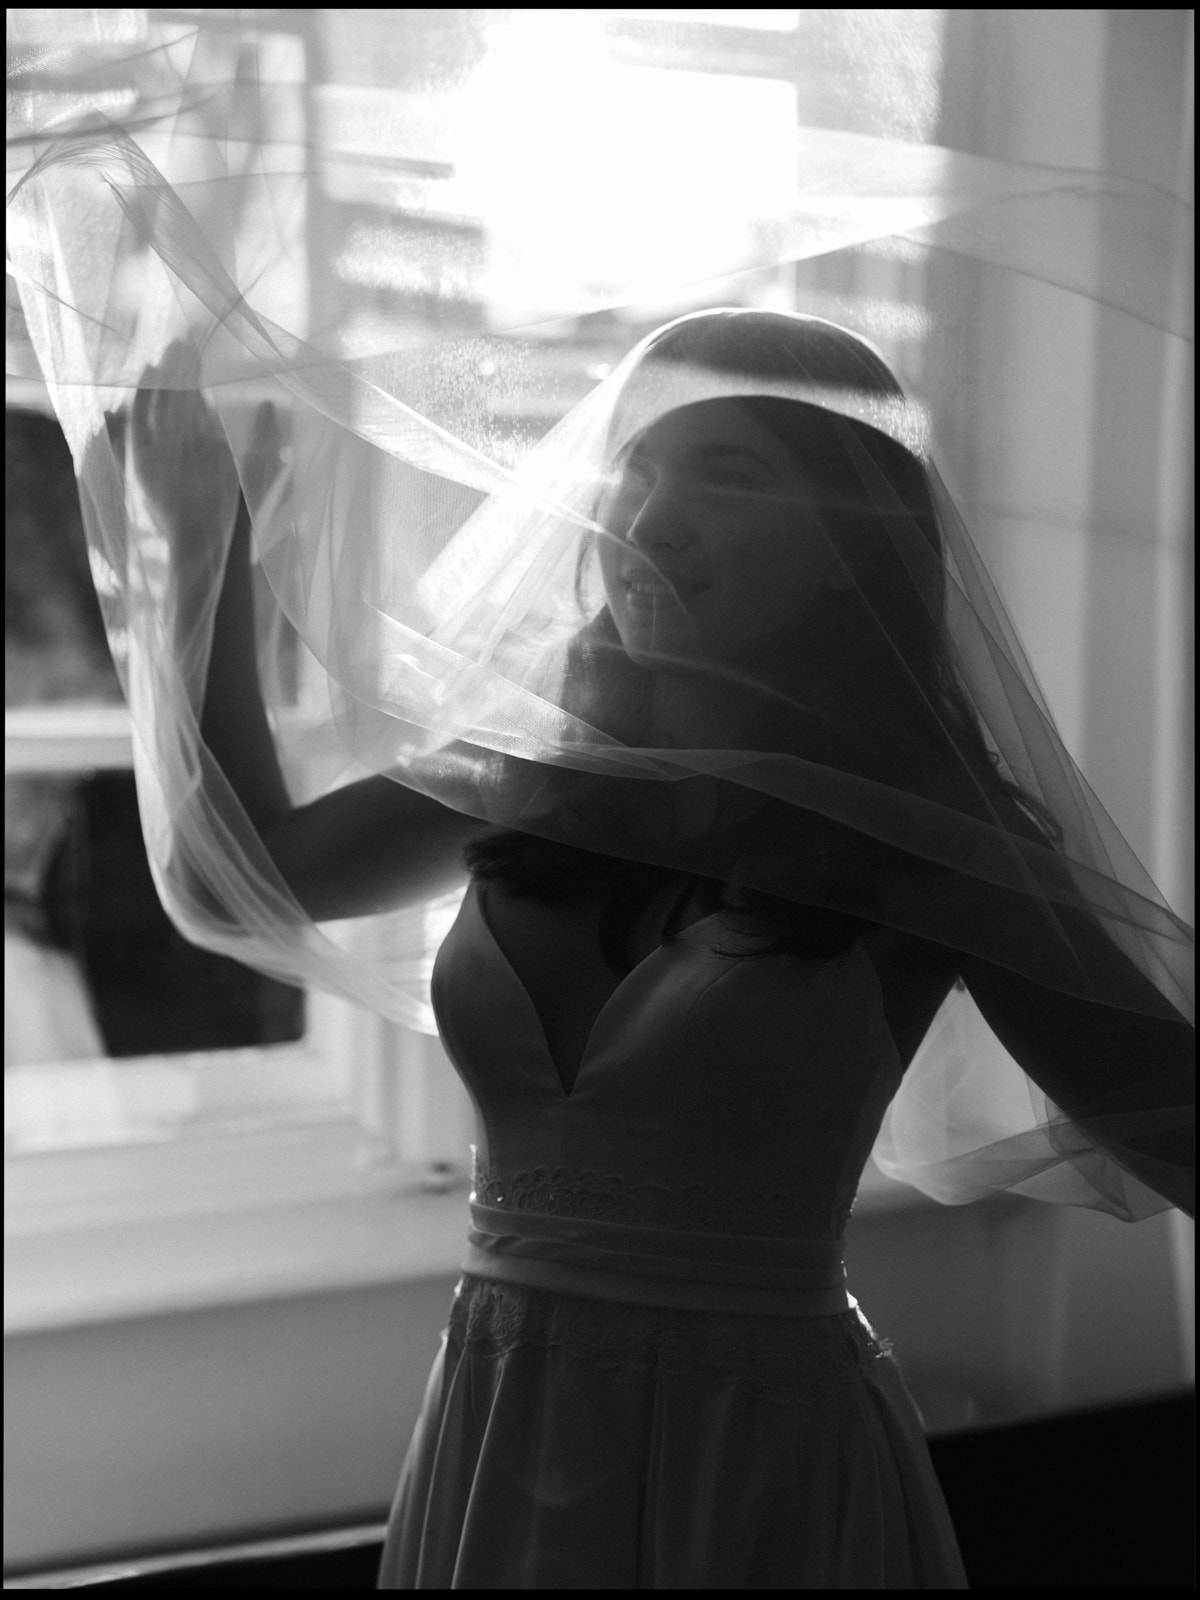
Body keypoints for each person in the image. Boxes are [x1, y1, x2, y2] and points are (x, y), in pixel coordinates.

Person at [124, 308, 1193, 1589]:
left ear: (852, 540)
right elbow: (241, 875)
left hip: (760, 1464)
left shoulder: (934, 842)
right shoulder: (537, 779)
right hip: (499, 1427)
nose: (649, 521)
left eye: (726, 476)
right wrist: (204, 536)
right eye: (633, 474)